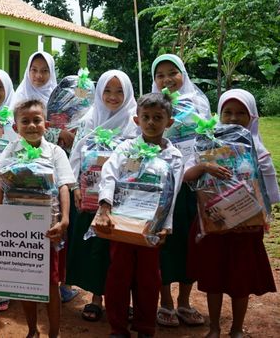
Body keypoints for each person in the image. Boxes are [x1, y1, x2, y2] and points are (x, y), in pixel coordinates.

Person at [186, 89, 277, 338]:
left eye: (241, 113)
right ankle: (214, 327)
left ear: (252, 117)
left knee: (241, 281)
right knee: (213, 279)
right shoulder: (206, 144)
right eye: (228, 112)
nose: (234, 118)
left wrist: (260, 218)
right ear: (219, 114)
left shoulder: (259, 152)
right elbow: (187, 177)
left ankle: (236, 329)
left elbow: (271, 194)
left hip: (246, 228)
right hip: (214, 223)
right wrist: (205, 165)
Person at [94, 92, 184, 338]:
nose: (151, 122)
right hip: (121, 224)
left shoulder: (173, 156)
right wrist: (104, 207)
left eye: (158, 117)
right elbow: (109, 174)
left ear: (170, 122)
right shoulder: (126, 148)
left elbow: (172, 193)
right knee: (118, 276)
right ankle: (118, 328)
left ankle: (145, 327)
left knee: (149, 278)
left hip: (150, 227)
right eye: (146, 117)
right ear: (136, 120)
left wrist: (166, 224)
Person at [0, 99, 73, 338]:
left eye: (36, 120)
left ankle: (54, 333)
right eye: (25, 121)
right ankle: (31, 331)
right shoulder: (11, 150)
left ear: (46, 124)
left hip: (47, 230)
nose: (31, 125)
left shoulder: (55, 152)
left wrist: (65, 219)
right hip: (18, 229)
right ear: (16, 127)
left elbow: (63, 187)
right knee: (24, 285)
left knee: (51, 286)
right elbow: (0, 183)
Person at [66, 70, 139, 322]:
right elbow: (76, 154)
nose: (113, 96)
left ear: (128, 92)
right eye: (107, 90)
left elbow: (139, 158)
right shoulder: (90, 119)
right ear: (99, 92)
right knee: (96, 249)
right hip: (91, 196)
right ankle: (96, 299)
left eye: (119, 91)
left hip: (123, 197)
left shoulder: (134, 120)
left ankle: (121, 300)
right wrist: (76, 187)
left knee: (122, 251)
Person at [151, 54, 210, 327]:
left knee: (188, 242)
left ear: (183, 74)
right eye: (160, 75)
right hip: (161, 186)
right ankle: (165, 301)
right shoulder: (151, 107)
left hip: (191, 186)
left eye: (172, 73)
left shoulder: (198, 104)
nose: (166, 79)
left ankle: (185, 301)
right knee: (162, 243)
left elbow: (208, 142)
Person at [10, 52, 74, 149]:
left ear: (51, 72)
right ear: (28, 71)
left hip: (56, 151)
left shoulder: (59, 98)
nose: (38, 75)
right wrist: (57, 133)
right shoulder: (21, 97)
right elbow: (16, 129)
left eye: (44, 71)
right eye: (34, 70)